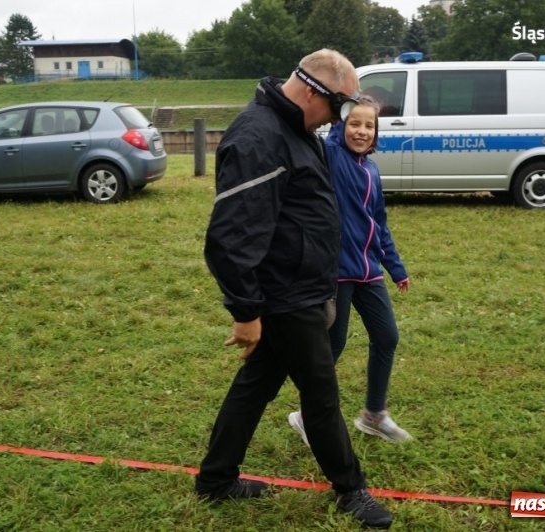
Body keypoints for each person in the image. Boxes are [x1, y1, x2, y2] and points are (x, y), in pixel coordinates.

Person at [195, 49, 394, 529]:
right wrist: (245, 312)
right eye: (340, 106)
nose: (342, 119)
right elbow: (230, 236)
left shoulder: (297, 129)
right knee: (321, 397)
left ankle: (215, 479)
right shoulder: (258, 136)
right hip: (286, 296)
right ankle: (351, 491)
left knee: (254, 386)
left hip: (301, 287)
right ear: (311, 91)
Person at [288, 95, 412, 445]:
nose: (361, 131)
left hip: (368, 270)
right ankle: (307, 417)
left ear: (376, 132)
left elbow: (379, 223)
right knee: (333, 345)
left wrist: (395, 267)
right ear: (341, 127)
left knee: (387, 337)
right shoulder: (333, 157)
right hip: (336, 272)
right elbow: (324, 138)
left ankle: (374, 415)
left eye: (369, 125)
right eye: (354, 124)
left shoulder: (371, 170)